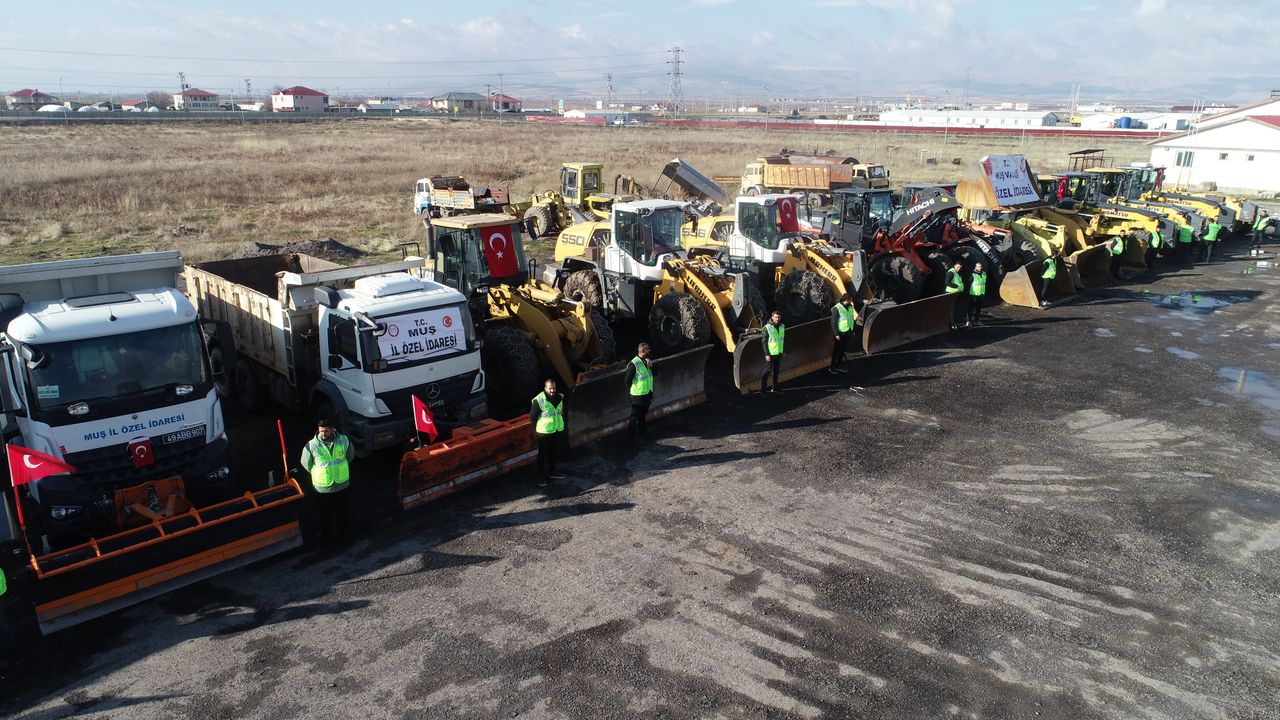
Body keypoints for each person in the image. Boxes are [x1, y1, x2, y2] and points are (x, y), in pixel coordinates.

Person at [300, 417, 353, 546]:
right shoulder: (311, 446)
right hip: (323, 489)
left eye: (326, 431)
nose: (323, 434)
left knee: (342, 513)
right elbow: (305, 463)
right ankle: (327, 540)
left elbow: (350, 456)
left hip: (341, 485)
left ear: (332, 429)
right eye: (321, 431)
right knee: (325, 515)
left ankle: (344, 536)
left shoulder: (344, 440)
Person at [530, 378, 566, 480]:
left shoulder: (560, 397)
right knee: (542, 455)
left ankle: (552, 472)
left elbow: (561, 412)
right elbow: (532, 417)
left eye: (554, 388)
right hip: (543, 433)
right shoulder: (539, 400)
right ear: (545, 388)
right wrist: (537, 431)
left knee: (553, 453)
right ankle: (540, 476)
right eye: (550, 388)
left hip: (556, 430)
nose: (552, 390)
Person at [624, 343, 654, 439]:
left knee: (643, 415)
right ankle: (631, 437)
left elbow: (655, 373)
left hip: (647, 394)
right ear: (642, 351)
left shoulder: (647, 361)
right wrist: (631, 392)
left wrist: (650, 366)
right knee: (634, 417)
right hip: (637, 396)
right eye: (648, 349)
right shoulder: (634, 364)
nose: (649, 351)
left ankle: (643, 433)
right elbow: (627, 380)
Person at [760, 310, 785, 395]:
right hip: (770, 354)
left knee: (776, 371)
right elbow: (764, 342)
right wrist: (766, 354)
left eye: (778, 317)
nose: (777, 319)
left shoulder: (782, 326)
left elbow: (782, 339)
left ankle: (775, 388)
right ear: (772, 317)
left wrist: (782, 351)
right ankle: (763, 389)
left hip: (778, 353)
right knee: (767, 372)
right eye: (775, 317)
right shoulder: (767, 328)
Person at [829, 293, 855, 374]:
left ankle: (839, 365)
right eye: (850, 299)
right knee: (837, 351)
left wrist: (852, 331)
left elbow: (851, 318)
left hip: (847, 332)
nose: (852, 301)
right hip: (840, 334)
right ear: (846, 300)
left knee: (842, 350)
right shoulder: (836, 308)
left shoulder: (850, 307)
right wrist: (836, 334)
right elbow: (833, 323)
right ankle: (832, 367)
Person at [944, 259, 966, 329]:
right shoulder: (951, 272)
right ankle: (952, 324)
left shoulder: (958, 273)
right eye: (957, 267)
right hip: (950, 293)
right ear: (954, 266)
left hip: (956, 293)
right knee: (952, 309)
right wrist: (955, 286)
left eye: (960, 267)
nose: (958, 269)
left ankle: (953, 323)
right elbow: (947, 282)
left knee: (954, 309)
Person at [967, 262, 987, 326]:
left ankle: (977, 321)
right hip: (973, 294)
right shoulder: (972, 274)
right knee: (971, 308)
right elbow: (968, 284)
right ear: (975, 267)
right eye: (978, 267)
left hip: (981, 294)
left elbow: (983, 283)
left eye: (980, 266)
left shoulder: (984, 274)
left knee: (978, 308)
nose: (979, 268)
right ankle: (969, 321)